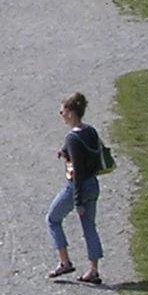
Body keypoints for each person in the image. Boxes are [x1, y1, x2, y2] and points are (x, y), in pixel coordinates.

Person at [46, 92, 105, 284]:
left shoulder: (72, 138)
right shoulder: (91, 131)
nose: (61, 115)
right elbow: (86, 154)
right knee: (89, 228)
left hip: (75, 187)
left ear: (71, 113)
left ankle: (65, 262)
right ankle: (93, 271)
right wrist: (64, 152)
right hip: (93, 184)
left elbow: (78, 172)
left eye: (62, 111)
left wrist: (77, 202)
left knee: (52, 219)